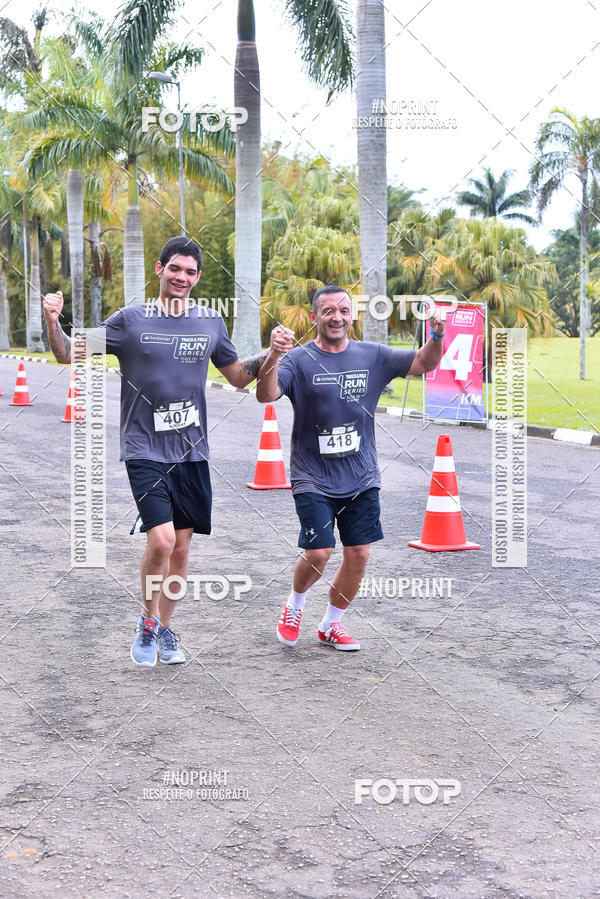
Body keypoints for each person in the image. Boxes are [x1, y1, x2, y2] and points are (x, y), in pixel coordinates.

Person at [43, 237, 273, 668]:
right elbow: (65, 354)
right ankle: (147, 623)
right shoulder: (131, 320)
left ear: (198, 278)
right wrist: (54, 321)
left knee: (182, 550)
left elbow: (239, 376)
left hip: (192, 450)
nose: (182, 278)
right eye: (175, 269)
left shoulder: (210, 322)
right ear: (159, 269)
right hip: (144, 447)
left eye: (190, 272)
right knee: (163, 540)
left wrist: (273, 353)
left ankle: (166, 629)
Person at [256, 285, 445, 652]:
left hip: (361, 476)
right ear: (315, 317)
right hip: (312, 474)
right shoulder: (299, 359)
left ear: (352, 315)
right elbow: (266, 394)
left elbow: (425, 362)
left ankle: (330, 625)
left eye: (343, 310)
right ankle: (294, 605)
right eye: (328, 311)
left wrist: (437, 333)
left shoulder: (372, 355)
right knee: (319, 553)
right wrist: (273, 356)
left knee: (358, 555)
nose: (337, 317)